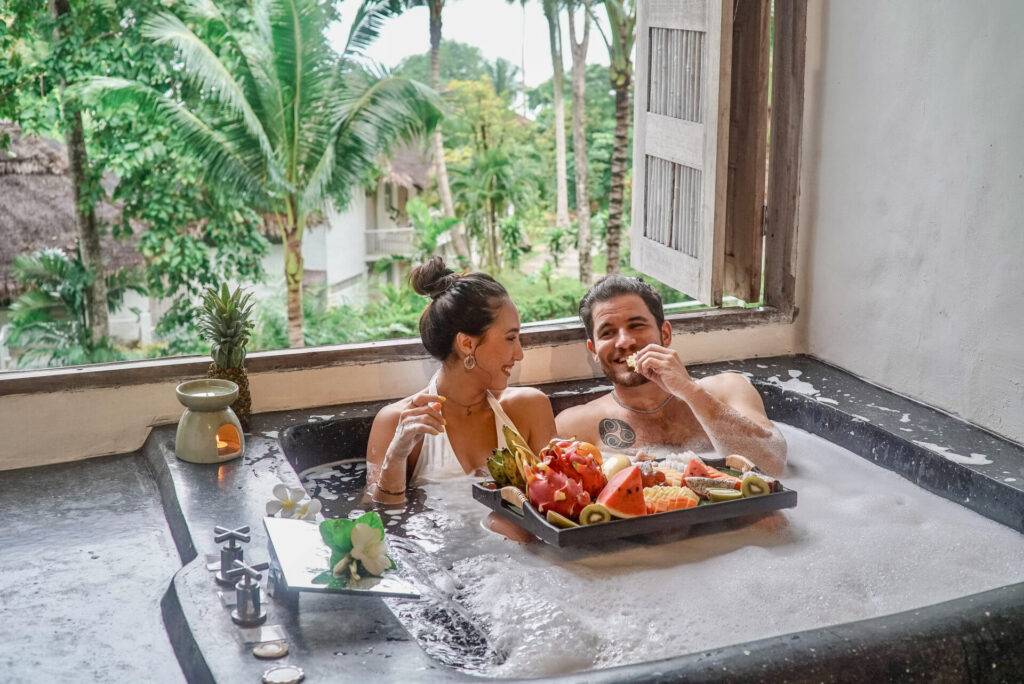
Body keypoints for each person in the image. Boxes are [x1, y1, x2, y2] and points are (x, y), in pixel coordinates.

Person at [365, 256, 557, 506]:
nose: (519, 354)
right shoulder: (395, 422)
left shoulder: (531, 409)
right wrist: (397, 454)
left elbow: (558, 506)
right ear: (467, 343)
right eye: (511, 338)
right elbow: (378, 521)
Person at [555, 275, 787, 477]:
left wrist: (689, 391)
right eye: (608, 333)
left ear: (665, 334)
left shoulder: (728, 388)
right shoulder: (576, 426)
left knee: (770, 520)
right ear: (594, 350)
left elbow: (773, 465)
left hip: (737, 520)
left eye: (636, 325)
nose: (625, 341)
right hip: (650, 525)